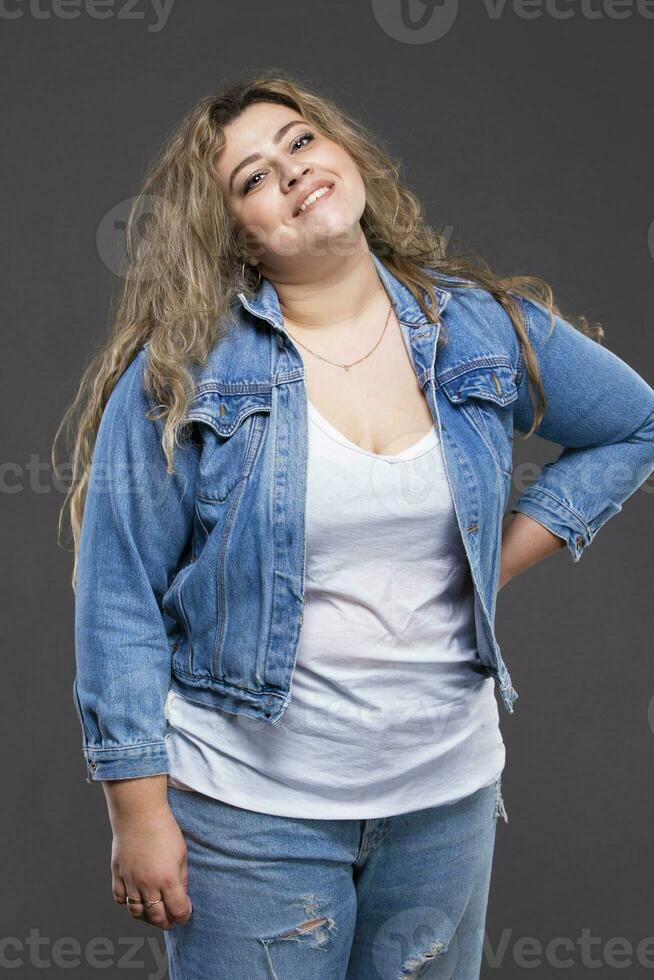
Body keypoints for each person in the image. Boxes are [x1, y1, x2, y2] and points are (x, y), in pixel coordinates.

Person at [54, 70, 654, 979]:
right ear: (239, 240)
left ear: (343, 154)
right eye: (251, 178)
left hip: (445, 803)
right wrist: (136, 812)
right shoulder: (184, 372)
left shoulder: (477, 330)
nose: (290, 173)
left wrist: (483, 565)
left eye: (299, 143)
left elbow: (633, 422)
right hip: (248, 814)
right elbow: (118, 595)